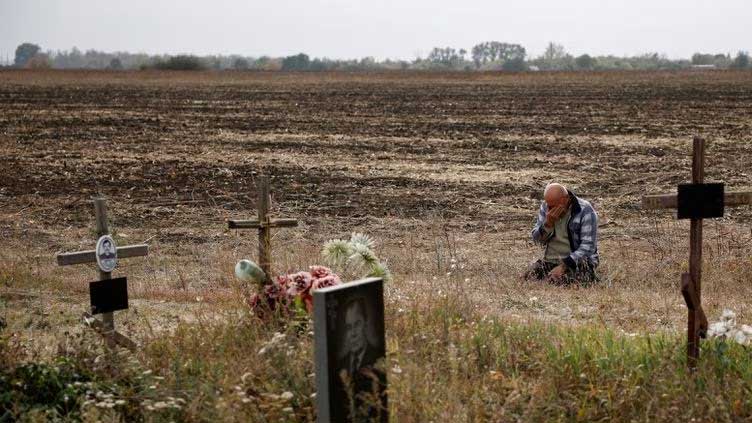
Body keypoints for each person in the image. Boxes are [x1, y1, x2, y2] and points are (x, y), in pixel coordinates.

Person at [525, 183, 599, 284]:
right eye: (548, 206)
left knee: (564, 281)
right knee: (528, 276)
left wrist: (564, 265)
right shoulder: (546, 206)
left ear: (565, 200)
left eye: (553, 206)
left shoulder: (585, 210)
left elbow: (588, 247)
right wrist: (547, 225)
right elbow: (536, 241)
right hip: (551, 261)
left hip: (577, 262)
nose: (550, 209)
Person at [334, 297, 386, 422]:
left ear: (365, 322)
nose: (353, 333)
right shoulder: (340, 362)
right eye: (349, 327)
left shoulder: (378, 359)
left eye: (357, 324)